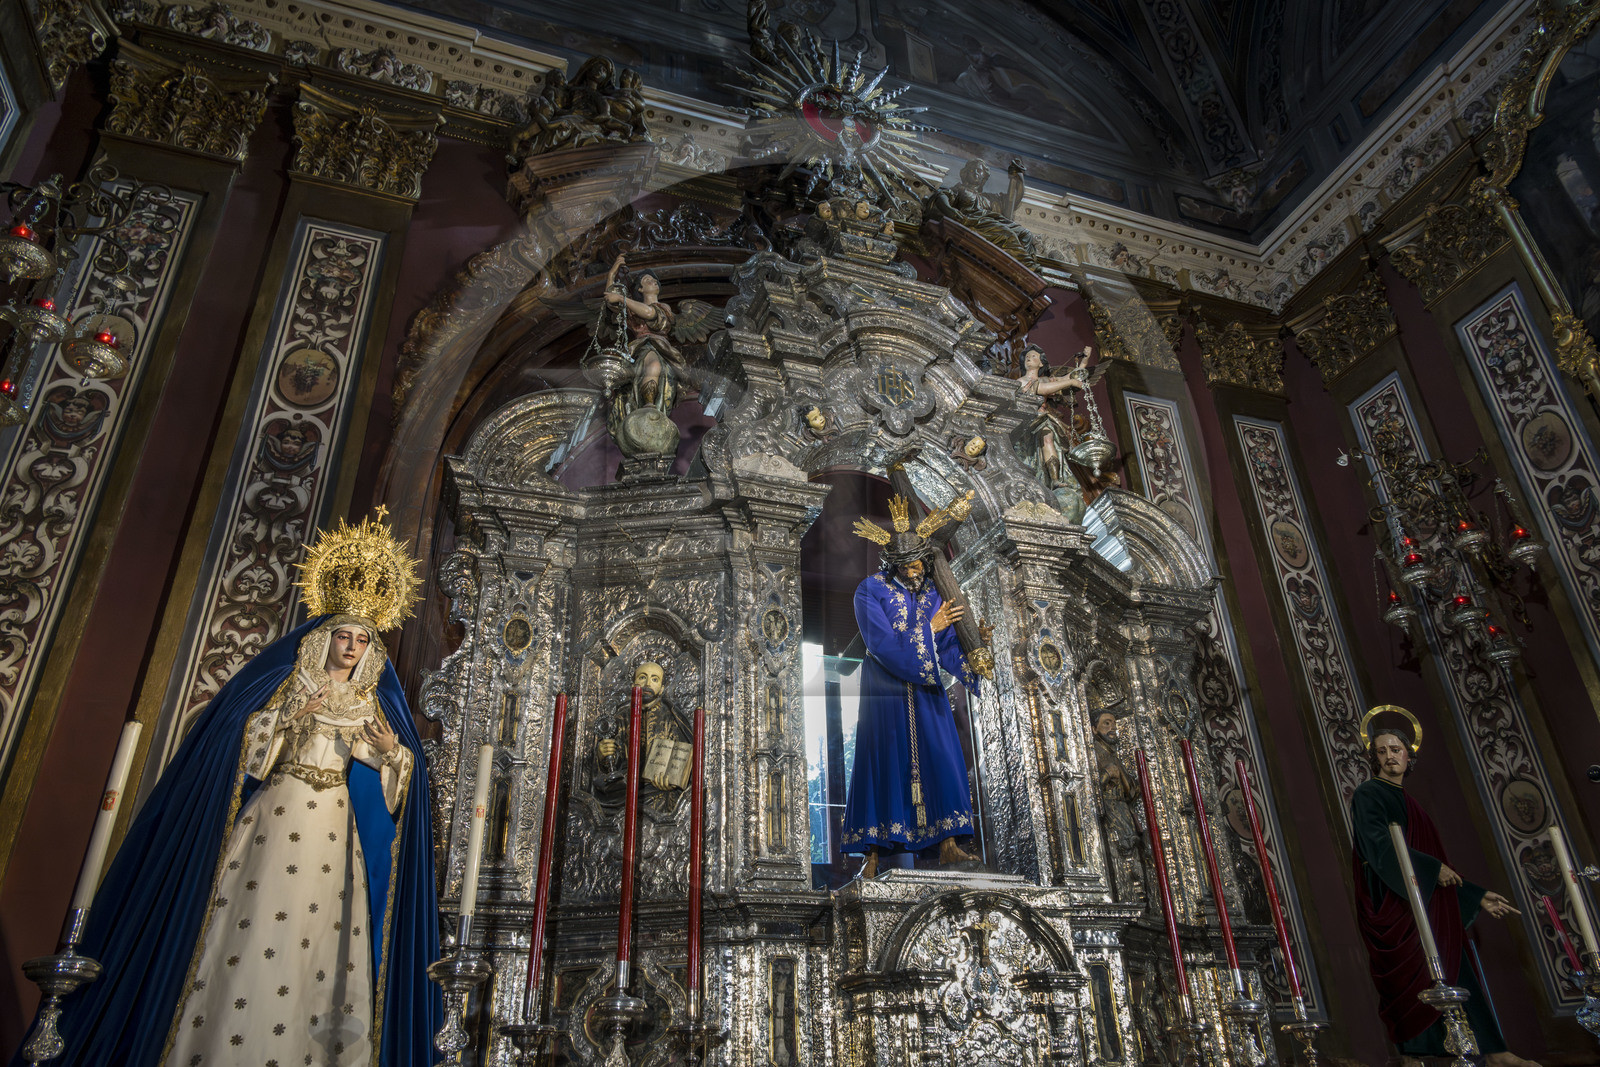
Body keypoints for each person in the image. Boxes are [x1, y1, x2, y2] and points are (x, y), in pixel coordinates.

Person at [32, 513, 439, 1066]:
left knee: (319, 942)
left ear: (371, 649)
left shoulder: (371, 704)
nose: (352, 645)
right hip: (278, 812)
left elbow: (392, 775)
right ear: (325, 638)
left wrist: (393, 754)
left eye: (362, 638)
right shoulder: (290, 686)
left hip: (332, 830)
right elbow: (249, 750)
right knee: (249, 928)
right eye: (343, 634)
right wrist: (294, 716)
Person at [1350, 708, 1540, 1067]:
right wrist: (1433, 869)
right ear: (1372, 758)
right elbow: (1378, 846)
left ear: (1409, 755)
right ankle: (1412, 1057)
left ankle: (1494, 1052)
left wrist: (1474, 894)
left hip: (1428, 900)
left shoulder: (1411, 803)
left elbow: (1438, 866)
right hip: (1396, 903)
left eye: (1396, 749)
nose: (1390, 756)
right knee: (1407, 977)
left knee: (1459, 967)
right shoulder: (1369, 794)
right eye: (1382, 751)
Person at [842, 494, 981, 879]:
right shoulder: (869, 591)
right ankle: (871, 854)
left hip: (929, 695)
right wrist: (930, 628)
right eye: (907, 565)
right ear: (893, 564)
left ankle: (949, 843)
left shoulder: (934, 592)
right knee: (881, 760)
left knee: (942, 757)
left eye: (920, 562)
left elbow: (949, 646)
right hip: (884, 692)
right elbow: (881, 644)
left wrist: (973, 649)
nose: (916, 570)